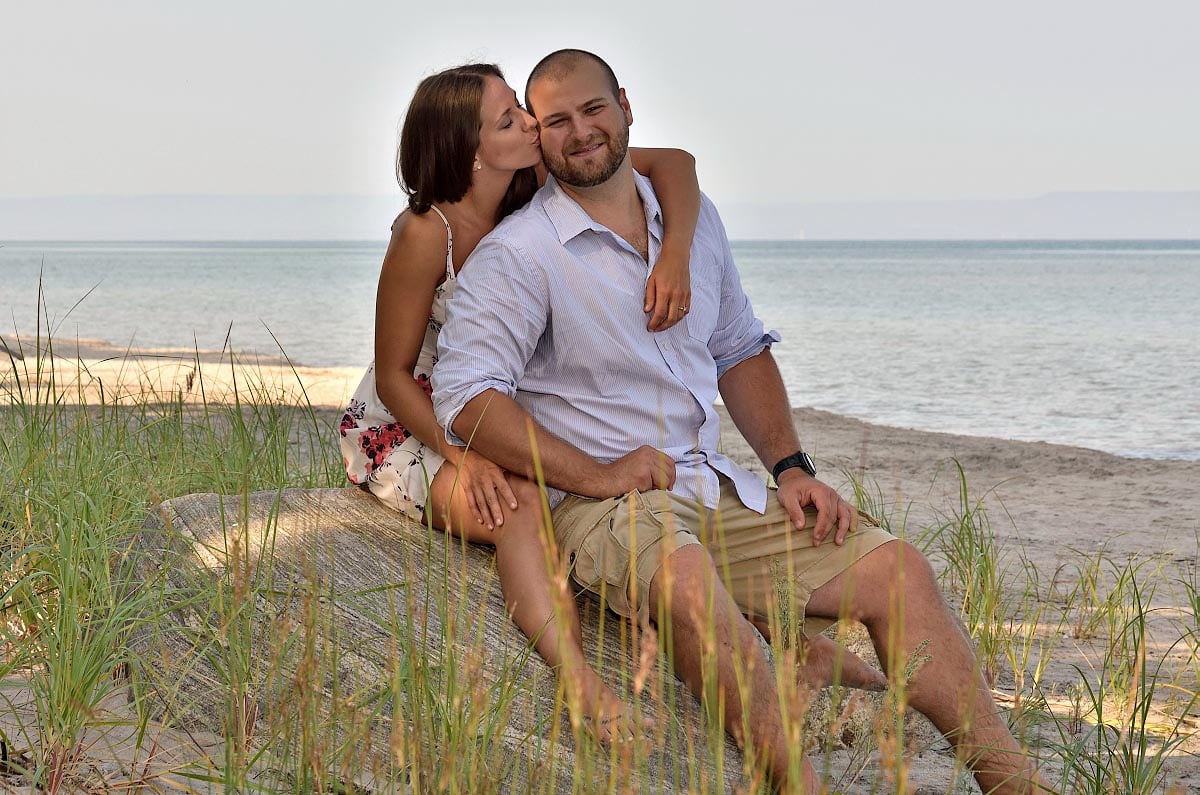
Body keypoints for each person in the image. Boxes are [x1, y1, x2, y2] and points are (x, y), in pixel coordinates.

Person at [432, 50, 1050, 793]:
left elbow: (738, 351)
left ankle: (1015, 781)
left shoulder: (690, 221)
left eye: (594, 109)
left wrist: (792, 468)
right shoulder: (520, 255)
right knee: (690, 585)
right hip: (606, 506)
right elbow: (467, 398)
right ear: (540, 137)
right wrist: (595, 472)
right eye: (556, 120)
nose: (581, 131)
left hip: (709, 485)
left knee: (899, 570)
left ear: (626, 105)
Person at [338, 63, 701, 743]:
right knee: (520, 506)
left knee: (589, 484)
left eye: (520, 111)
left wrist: (674, 251)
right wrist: (459, 456)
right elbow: (391, 375)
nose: (535, 125)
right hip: (406, 424)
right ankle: (583, 686)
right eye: (512, 119)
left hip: (483, 408)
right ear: (471, 152)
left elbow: (674, 163)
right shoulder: (426, 233)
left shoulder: (532, 181)